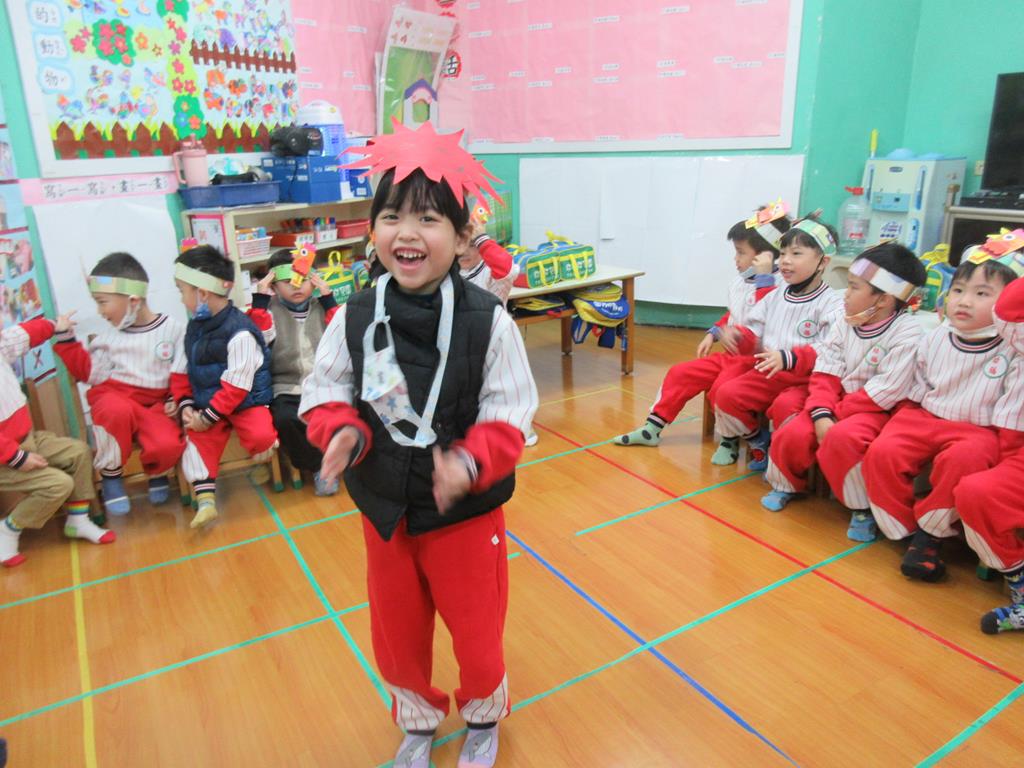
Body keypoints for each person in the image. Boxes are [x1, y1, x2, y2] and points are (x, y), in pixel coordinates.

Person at [300, 120, 538, 768]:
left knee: (477, 633)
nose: (406, 233)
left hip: (464, 515)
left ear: (461, 238)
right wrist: (340, 430)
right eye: (391, 217)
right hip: (385, 509)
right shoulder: (354, 314)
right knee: (396, 634)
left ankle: (483, 716)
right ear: (372, 231)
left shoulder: (489, 321)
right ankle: (417, 718)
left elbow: (512, 411)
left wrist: (472, 460)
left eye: (428, 219)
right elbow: (326, 389)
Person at [864, 250, 1021, 581]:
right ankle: (904, 528)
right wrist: (903, 419)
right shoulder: (935, 337)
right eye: (959, 290)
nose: (964, 301)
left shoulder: (1012, 349)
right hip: (924, 415)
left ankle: (930, 534)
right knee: (882, 451)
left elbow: (1009, 410)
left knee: (965, 459)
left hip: (978, 429)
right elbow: (919, 385)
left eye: (982, 294)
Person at [760, 242, 927, 541]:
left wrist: (831, 414)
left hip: (875, 410)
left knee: (843, 439)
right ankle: (786, 484)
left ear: (884, 299)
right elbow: (826, 369)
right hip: (836, 402)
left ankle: (860, 507)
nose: (845, 294)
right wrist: (821, 412)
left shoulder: (908, 333)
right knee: (793, 432)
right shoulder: (845, 322)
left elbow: (886, 391)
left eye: (853, 287)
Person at [614, 201, 789, 461]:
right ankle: (653, 428)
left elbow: (765, 321)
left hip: (756, 362)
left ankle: (735, 440)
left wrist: (764, 281)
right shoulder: (740, 282)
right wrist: (714, 332)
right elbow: (734, 314)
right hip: (732, 356)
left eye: (741, 253)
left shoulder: (779, 285)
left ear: (764, 256)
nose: (736, 259)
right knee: (680, 373)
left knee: (721, 389)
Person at [54, 252, 185, 514]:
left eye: (102, 303)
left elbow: (181, 371)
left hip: (155, 405)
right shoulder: (107, 339)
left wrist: (175, 398)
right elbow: (88, 374)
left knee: (168, 443)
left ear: (133, 301)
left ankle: (157, 471)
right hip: (116, 397)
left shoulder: (174, 329)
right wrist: (66, 340)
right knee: (114, 410)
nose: (100, 312)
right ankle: (111, 475)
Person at [713, 214, 844, 471]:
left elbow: (831, 349)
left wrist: (789, 357)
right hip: (768, 373)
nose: (785, 260)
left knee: (786, 408)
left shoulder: (832, 303)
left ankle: (783, 465)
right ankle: (757, 439)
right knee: (726, 395)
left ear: (823, 262)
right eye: (782, 253)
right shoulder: (775, 295)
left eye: (796, 254)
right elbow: (754, 330)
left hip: (805, 380)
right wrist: (739, 337)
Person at [171, 245, 278, 529]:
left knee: (261, 434)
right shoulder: (194, 327)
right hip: (208, 401)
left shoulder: (240, 331)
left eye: (182, 291)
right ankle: (206, 501)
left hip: (245, 401)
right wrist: (186, 405)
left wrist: (207, 418)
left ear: (202, 293)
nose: (181, 298)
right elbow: (181, 370)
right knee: (197, 440)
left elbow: (237, 388)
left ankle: (261, 461)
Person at [0, 313, 114, 567]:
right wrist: (17, 458)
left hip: (26, 440)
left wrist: (54, 325)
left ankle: (78, 520)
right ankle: (8, 530)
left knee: (78, 452)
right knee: (58, 485)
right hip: (5, 458)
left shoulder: (2, 344)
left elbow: (25, 334)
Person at [957, 252, 1024, 633]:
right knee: (975, 493)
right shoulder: (1016, 333)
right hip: (1015, 452)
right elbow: (1010, 309)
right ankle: (1020, 586)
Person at [248, 249, 340, 495]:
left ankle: (342, 459)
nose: (296, 286)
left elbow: (342, 334)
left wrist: (328, 299)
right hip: (286, 387)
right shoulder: (269, 311)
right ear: (274, 285)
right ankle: (320, 467)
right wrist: (260, 299)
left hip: (323, 384)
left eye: (302, 279)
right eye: (287, 281)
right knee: (285, 420)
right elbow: (256, 338)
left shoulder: (321, 308)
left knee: (342, 412)